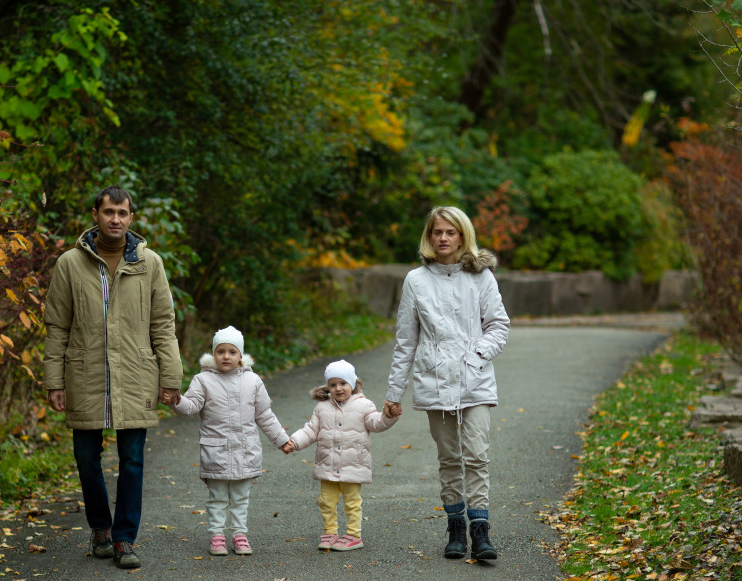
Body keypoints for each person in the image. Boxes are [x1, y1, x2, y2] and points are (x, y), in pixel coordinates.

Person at [43, 186, 182, 570]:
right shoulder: (70, 264)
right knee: (86, 457)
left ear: (131, 218)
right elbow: (56, 326)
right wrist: (54, 381)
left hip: (136, 374)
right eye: (109, 212)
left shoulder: (149, 263)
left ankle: (124, 539)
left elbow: (163, 323)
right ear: (95, 215)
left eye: (122, 213)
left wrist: (170, 377)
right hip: (84, 374)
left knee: (133, 459)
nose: (115, 219)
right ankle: (100, 528)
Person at [383, 206, 511, 561]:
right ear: (429, 236)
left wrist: (476, 356)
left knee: (477, 455)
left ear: (462, 236)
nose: (443, 238)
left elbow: (498, 325)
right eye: (437, 232)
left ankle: (480, 530)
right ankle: (456, 528)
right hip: (433, 378)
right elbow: (406, 341)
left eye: (450, 232)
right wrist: (394, 393)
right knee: (449, 457)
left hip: (475, 379)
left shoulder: (481, 277)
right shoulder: (416, 281)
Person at [168, 326, 290, 556]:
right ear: (213, 354)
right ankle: (217, 535)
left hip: (246, 451)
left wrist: (282, 440)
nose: (226, 356)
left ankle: (239, 534)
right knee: (218, 497)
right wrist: (176, 400)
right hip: (216, 452)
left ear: (240, 355)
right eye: (221, 351)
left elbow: (264, 415)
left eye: (232, 352)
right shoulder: (203, 380)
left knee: (241, 497)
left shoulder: (253, 381)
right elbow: (191, 406)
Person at [283, 360, 398, 551]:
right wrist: (294, 442)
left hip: (353, 464)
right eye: (333, 384)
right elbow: (311, 430)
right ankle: (330, 532)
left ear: (352, 384)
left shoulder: (363, 405)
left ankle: (353, 535)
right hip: (327, 464)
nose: (338, 388)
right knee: (326, 502)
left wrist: (389, 416)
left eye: (343, 383)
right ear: (327, 387)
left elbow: (376, 423)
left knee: (352, 502)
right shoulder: (322, 408)